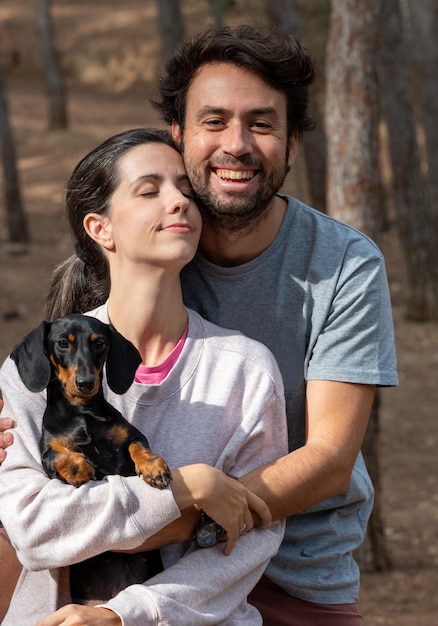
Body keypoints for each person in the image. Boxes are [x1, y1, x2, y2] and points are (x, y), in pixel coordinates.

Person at [0, 23, 398, 625]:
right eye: (213, 122)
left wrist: (176, 506)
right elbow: (38, 461)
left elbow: (328, 459)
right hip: (100, 561)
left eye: (262, 124)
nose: (236, 144)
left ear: (292, 145)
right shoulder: (136, 257)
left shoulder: (340, 264)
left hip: (282, 568)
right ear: (179, 136)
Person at [0, 127, 287, 625]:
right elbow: (32, 528)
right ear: (100, 228)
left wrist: (125, 615)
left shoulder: (245, 370)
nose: (178, 201)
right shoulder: (35, 371)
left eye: (185, 189)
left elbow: (251, 540)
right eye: (151, 191)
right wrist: (183, 487)